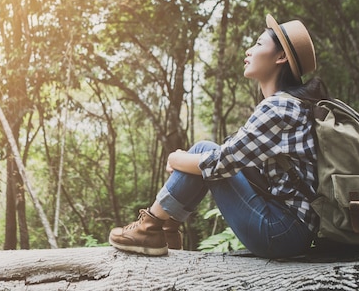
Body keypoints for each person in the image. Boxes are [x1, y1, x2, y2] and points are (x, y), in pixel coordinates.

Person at [108, 14, 329, 259]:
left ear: (280, 57)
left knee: (204, 152)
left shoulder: (278, 108)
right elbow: (236, 157)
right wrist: (190, 161)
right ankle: (166, 229)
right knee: (204, 151)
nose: (248, 50)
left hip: (283, 232)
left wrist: (177, 158)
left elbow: (221, 162)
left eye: (257, 44)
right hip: (291, 228)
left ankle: (152, 227)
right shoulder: (289, 106)